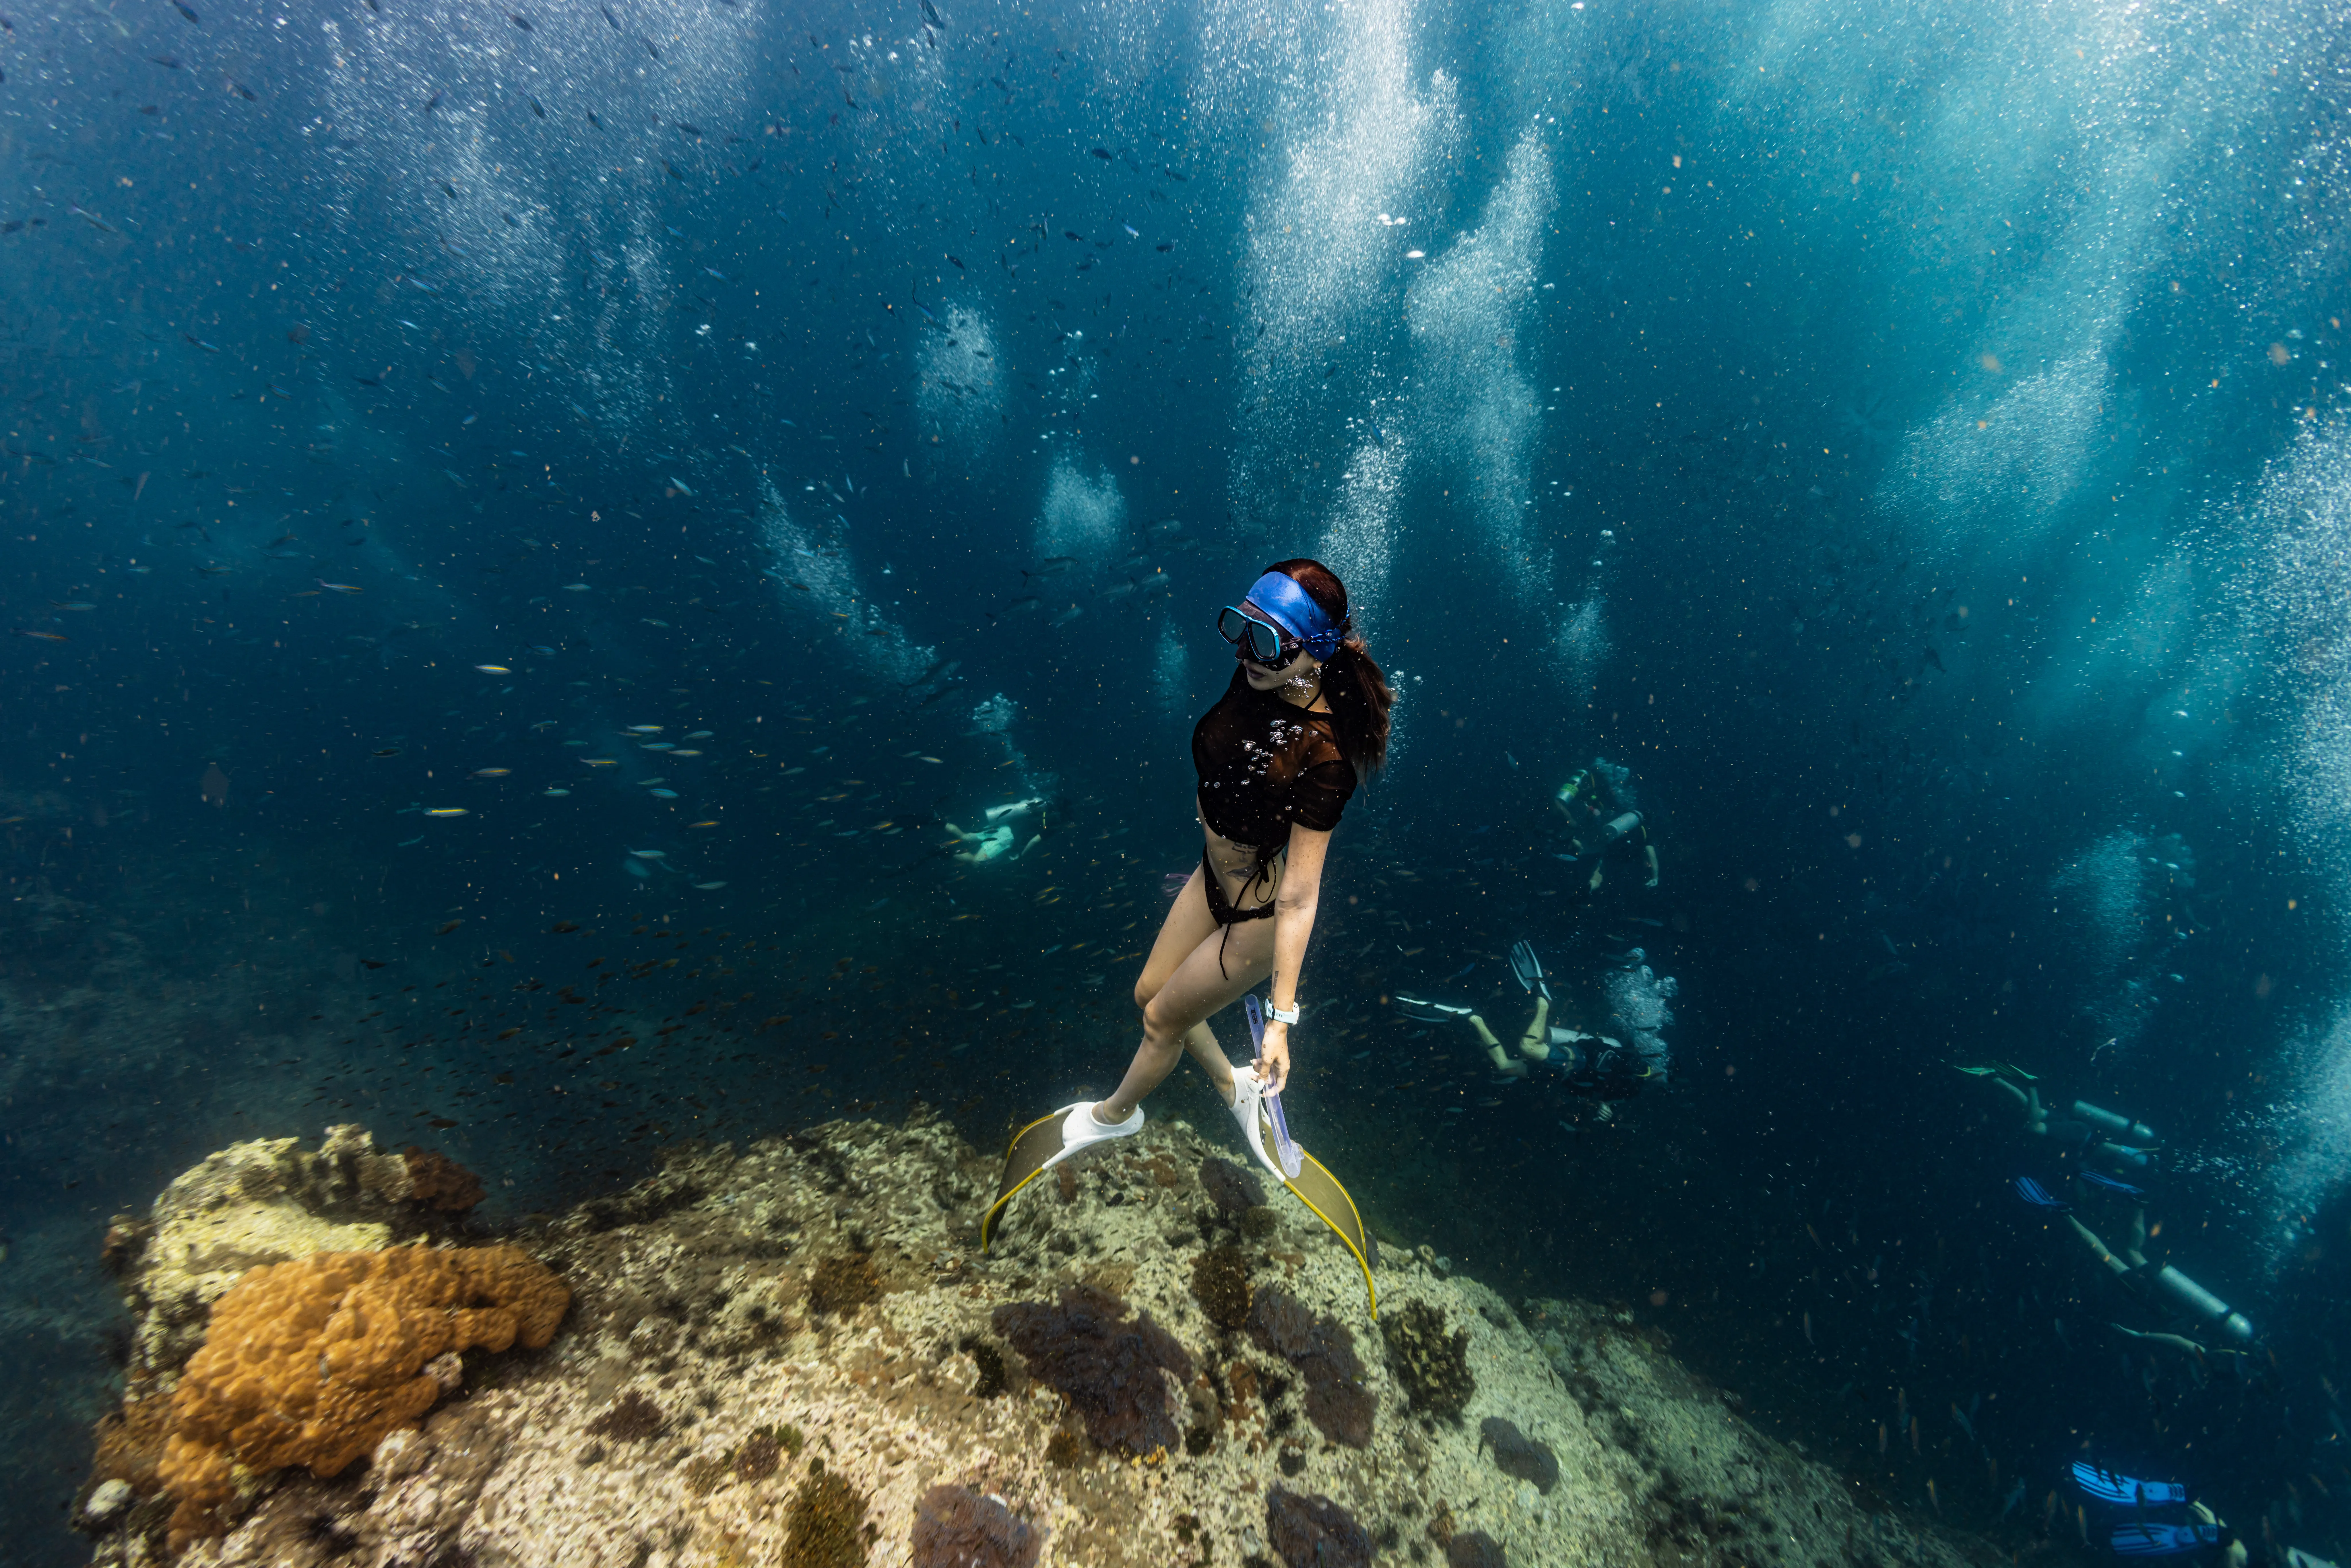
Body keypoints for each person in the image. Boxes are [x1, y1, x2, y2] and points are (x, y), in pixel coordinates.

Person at [983, 559, 1392, 1241]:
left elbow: (1298, 897)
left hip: (1257, 920)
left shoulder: (1325, 756)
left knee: (1160, 1023)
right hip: (1211, 880)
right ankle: (1236, 1090)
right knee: (1149, 993)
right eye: (1241, 628)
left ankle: (1113, 1116)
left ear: (1311, 651)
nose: (1245, 651)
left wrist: (1283, 1020)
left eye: (1267, 640)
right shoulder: (1260, 671)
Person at [1969, 1065, 2255, 1353]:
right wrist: (2139, 1337)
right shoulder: (2208, 1345)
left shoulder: (2222, 1343)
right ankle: (2030, 1085)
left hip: (2084, 1137)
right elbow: (2181, 1343)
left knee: (2131, 1252)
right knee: (2106, 1255)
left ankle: (1993, 1077)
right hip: (2082, 1140)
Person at [1554, 760, 1657, 893]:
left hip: (1603, 835)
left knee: (1599, 863)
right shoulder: (1642, 828)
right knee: (1601, 865)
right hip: (1616, 845)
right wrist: (1656, 877)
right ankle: (1589, 888)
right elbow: (1652, 855)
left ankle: (1588, 886)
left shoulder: (1595, 789)